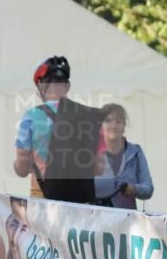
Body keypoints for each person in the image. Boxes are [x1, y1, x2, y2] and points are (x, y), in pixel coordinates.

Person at [13, 56, 103, 203]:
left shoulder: (31, 116)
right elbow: (99, 169)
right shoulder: (89, 116)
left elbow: (21, 169)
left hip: (43, 198)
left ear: (41, 87)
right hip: (81, 202)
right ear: (67, 86)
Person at [94, 103, 154, 210]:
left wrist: (134, 189)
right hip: (93, 216)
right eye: (108, 120)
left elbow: (148, 189)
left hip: (126, 218)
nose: (113, 125)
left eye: (118, 121)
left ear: (124, 126)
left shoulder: (136, 152)